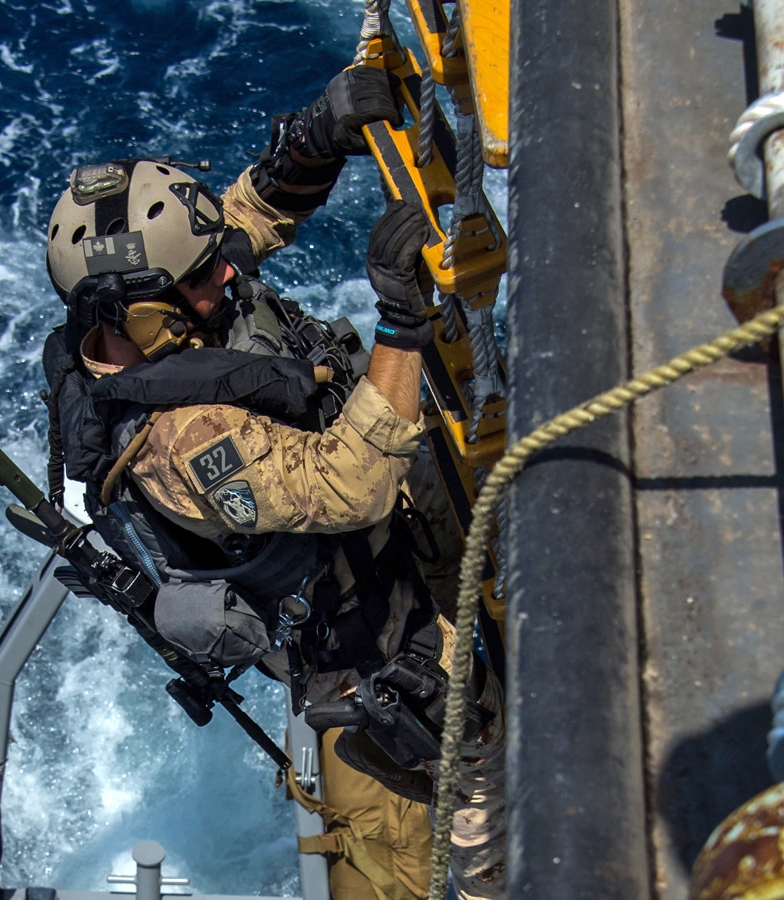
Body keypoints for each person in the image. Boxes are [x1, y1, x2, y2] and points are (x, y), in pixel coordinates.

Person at [38, 66, 505, 900]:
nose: (227, 276)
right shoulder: (176, 442)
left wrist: (314, 137)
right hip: (378, 678)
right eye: (203, 275)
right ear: (142, 311)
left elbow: (247, 220)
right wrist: (401, 320)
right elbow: (351, 483)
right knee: (439, 868)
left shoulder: (171, 304)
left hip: (402, 577)